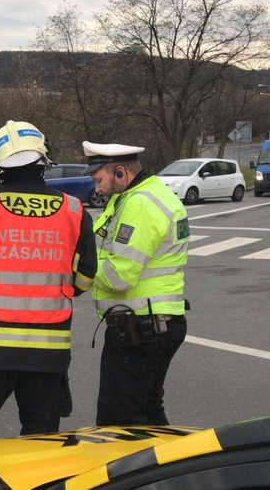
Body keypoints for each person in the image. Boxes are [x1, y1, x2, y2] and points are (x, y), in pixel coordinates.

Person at [0, 121, 97, 446]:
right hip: (48, 354)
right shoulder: (73, 210)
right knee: (40, 448)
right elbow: (83, 279)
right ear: (44, 160)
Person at [82, 141, 189, 426]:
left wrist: (78, 267)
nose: (97, 189)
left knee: (119, 422)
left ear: (120, 172)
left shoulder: (140, 204)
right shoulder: (139, 196)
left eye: (99, 180)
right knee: (147, 413)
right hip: (154, 324)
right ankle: (170, 468)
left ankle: (129, 472)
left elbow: (119, 275)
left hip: (141, 329)